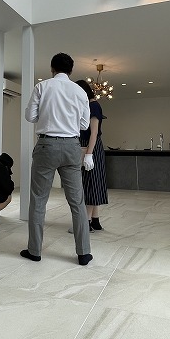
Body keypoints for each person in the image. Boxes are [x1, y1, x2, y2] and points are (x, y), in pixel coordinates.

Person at [22, 53, 93, 266]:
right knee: (77, 202)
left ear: (52, 68)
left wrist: (48, 116)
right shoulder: (80, 91)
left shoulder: (42, 86)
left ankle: (34, 251)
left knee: (38, 199)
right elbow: (84, 125)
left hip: (47, 145)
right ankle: (84, 253)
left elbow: (30, 117)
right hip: (72, 146)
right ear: (71, 71)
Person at [75, 79, 108, 232]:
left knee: (89, 184)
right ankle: (95, 220)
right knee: (93, 182)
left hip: (90, 146)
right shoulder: (88, 105)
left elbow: (94, 133)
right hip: (89, 146)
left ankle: (86, 221)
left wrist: (89, 153)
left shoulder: (93, 106)